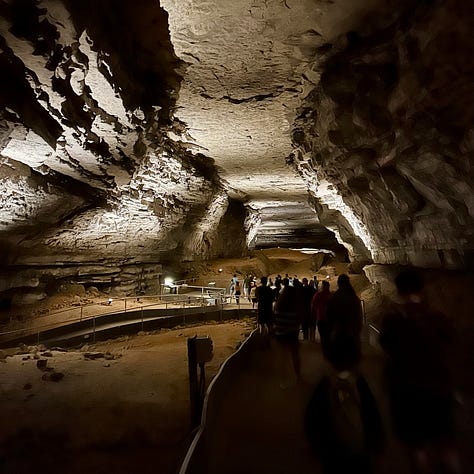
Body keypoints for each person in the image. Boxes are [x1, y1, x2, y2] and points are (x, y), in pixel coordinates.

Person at [379, 268, 460, 474]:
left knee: (417, 446)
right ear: (422, 288)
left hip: (407, 389)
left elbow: (387, 346)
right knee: (444, 442)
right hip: (438, 387)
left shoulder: (393, 321)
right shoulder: (438, 318)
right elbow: (451, 345)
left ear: (398, 290)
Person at [324, 274, 363, 371]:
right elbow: (358, 317)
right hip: (351, 333)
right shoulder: (354, 298)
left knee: (338, 364)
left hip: (338, 332)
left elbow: (329, 316)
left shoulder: (334, 298)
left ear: (338, 283)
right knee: (351, 364)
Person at [273, 277, 301, 383]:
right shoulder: (295, 307)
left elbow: (275, 320)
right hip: (292, 333)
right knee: (295, 356)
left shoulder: (278, 306)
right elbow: (298, 321)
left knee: (282, 356)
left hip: (280, 333)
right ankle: (298, 376)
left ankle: (282, 378)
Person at [310, 280, 332, 345]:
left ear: (322, 286)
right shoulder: (331, 295)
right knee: (328, 336)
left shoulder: (318, 295)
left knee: (323, 337)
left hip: (321, 318)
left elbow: (313, 306)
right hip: (329, 318)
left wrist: (313, 315)